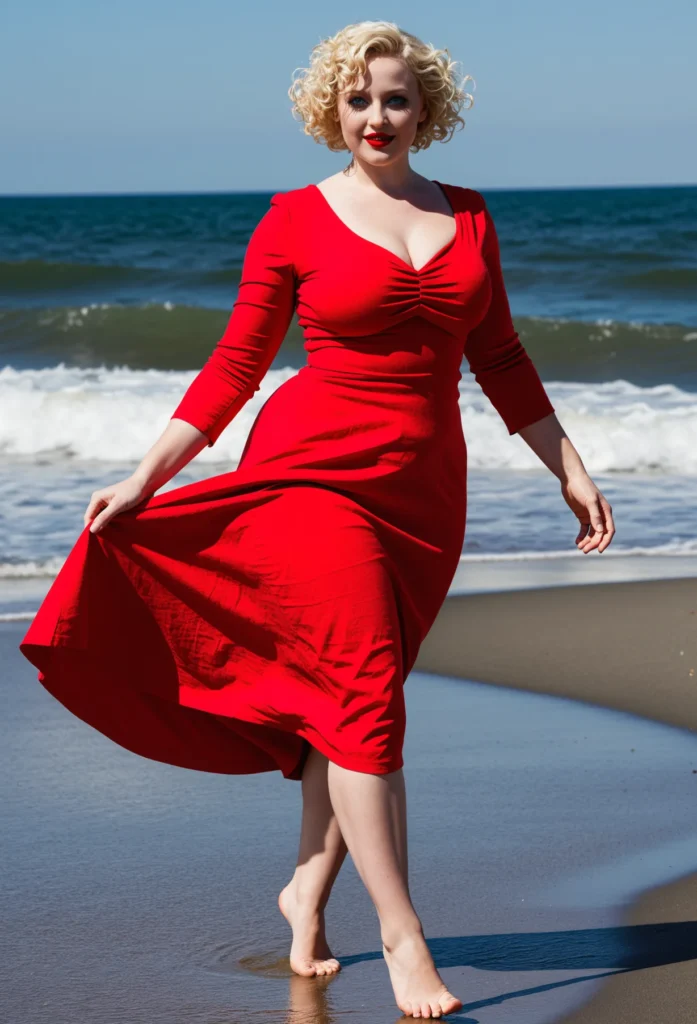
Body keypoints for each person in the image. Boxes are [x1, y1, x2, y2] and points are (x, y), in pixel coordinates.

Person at [19, 20, 615, 1021]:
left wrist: (570, 465)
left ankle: (305, 889)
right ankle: (403, 934)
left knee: (342, 704)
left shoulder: (469, 217)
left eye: (393, 98)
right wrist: (144, 476)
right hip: (311, 478)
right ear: (328, 111)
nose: (375, 116)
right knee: (369, 695)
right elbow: (235, 366)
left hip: (423, 492)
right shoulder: (294, 218)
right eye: (356, 99)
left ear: (427, 107)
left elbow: (500, 358)